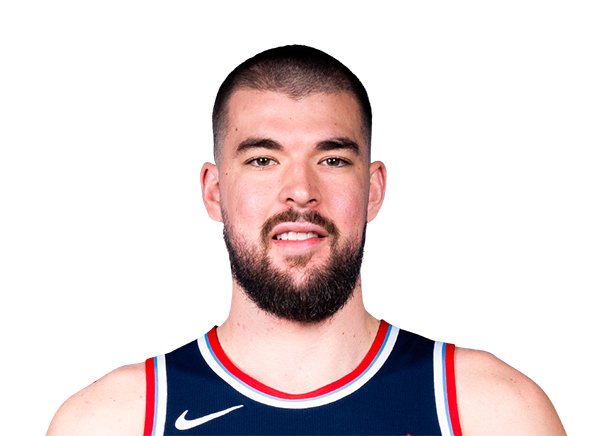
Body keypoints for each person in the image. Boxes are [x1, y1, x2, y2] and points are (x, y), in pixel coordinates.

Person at [47, 45, 565, 436]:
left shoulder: (491, 413)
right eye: (263, 159)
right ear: (213, 192)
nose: (300, 190)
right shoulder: (112, 421)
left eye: (332, 159)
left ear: (374, 190)